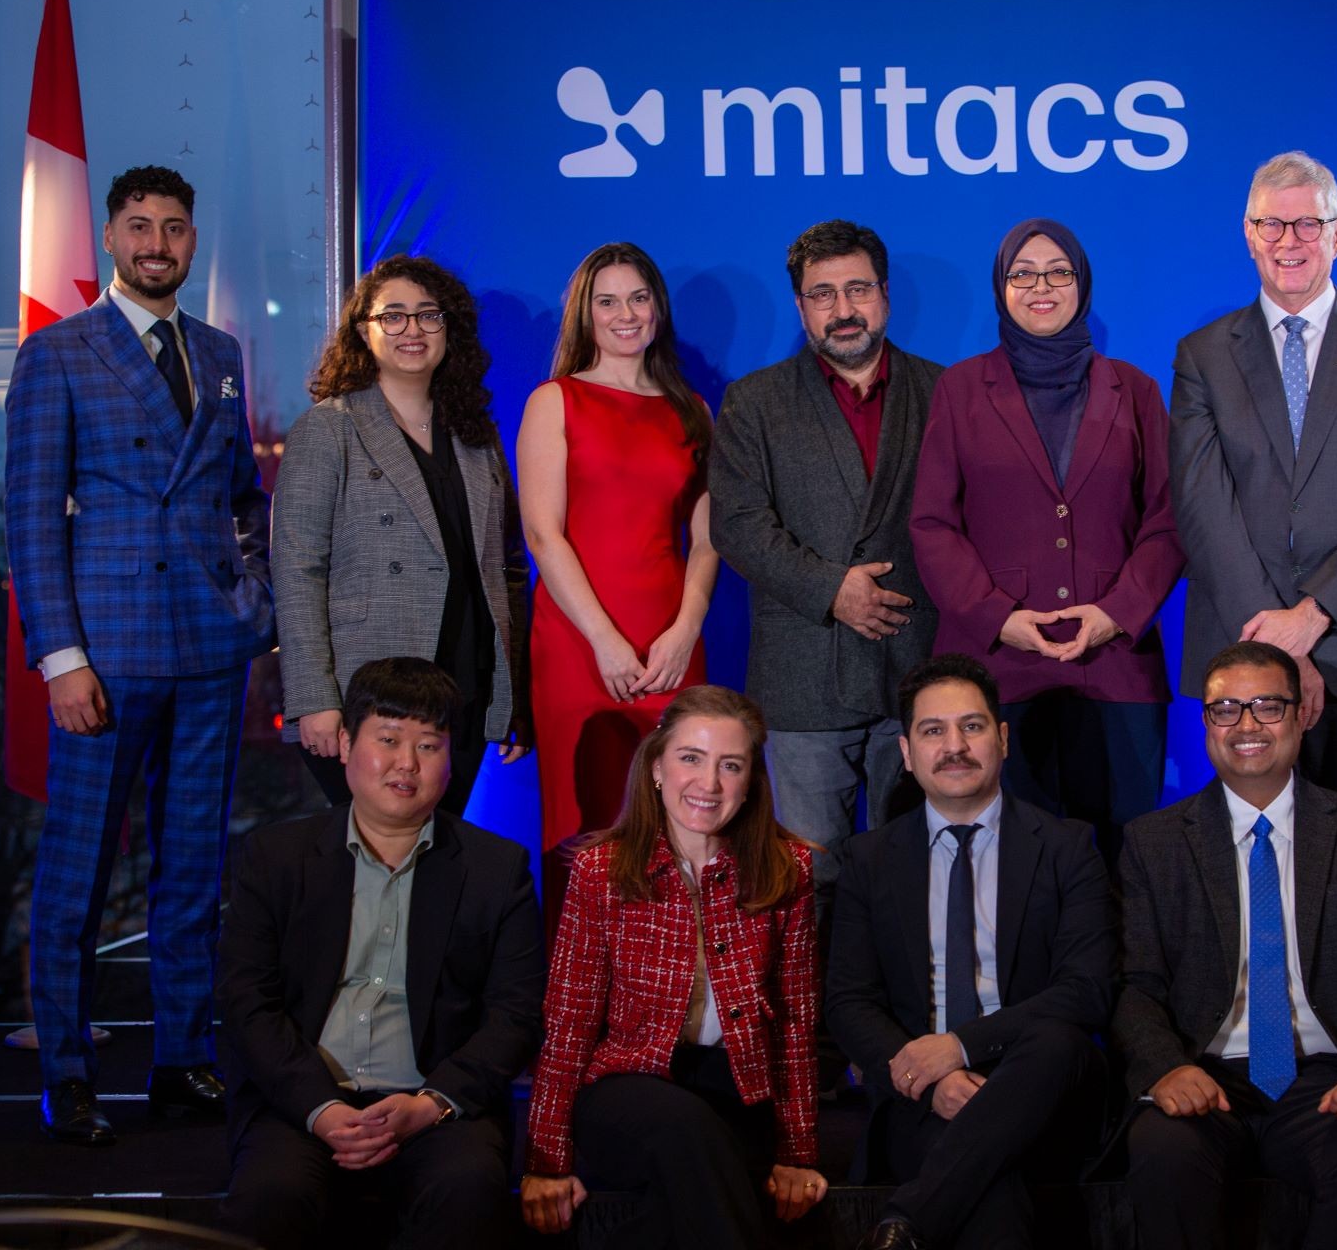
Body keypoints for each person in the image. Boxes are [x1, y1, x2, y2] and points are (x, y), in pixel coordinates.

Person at [5, 164, 274, 1145]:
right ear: (111, 241)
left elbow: (245, 495)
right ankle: (69, 1070)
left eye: (173, 227)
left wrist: (256, 598)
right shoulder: (59, 353)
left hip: (211, 651)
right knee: (74, 874)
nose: (158, 243)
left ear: (191, 240)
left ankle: (180, 1057)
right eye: (139, 226)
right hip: (106, 659)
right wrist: (60, 657)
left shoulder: (221, 350)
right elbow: (31, 521)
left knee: (194, 870)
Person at [217, 657, 546, 1250]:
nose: (407, 764)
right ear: (345, 743)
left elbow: (515, 1016)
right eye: (388, 740)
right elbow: (247, 1004)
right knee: (271, 1198)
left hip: (438, 1106)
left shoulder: (498, 869)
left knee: (469, 1194)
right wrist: (319, 1108)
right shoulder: (275, 859)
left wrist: (430, 1104)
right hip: (301, 1103)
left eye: (429, 744)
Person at [1112, 641, 1337, 1249]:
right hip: (1204, 1072)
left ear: (1303, 712)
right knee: (1161, 1154)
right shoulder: (1152, 843)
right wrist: (1166, 1067)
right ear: (1206, 723)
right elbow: (1135, 986)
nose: (1246, 725)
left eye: (1266, 706)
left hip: (1327, 1074)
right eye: (1225, 708)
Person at [1170, 151, 1337, 824]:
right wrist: (1273, 644)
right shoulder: (1201, 356)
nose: (1288, 242)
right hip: (1243, 652)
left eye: (1307, 226)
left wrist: (1314, 615)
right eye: (1272, 225)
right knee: (1255, 862)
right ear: (1248, 233)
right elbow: (1203, 506)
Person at [911, 218, 1183, 863]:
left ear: (1082, 285)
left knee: (1123, 861)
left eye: (1059, 272)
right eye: (1022, 273)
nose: (1042, 286)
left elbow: (1169, 520)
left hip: (1117, 667)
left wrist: (1117, 615)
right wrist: (996, 617)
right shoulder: (959, 389)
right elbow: (931, 524)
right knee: (1011, 867)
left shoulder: (1137, 390)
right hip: (998, 671)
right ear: (1001, 287)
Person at [519, 685, 826, 1249]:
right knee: (686, 1132)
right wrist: (546, 1158)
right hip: (626, 1084)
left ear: (751, 780)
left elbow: (796, 1023)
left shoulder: (789, 870)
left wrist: (798, 1153)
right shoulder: (600, 871)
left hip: (740, 1085)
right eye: (691, 758)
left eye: (729, 766)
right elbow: (570, 1021)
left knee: (691, 1187)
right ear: (657, 767)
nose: (708, 785)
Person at [828, 653, 1116, 1250]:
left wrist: (959, 1048)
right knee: (994, 1194)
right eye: (933, 731)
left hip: (1042, 1085)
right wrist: (932, 1081)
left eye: (973, 726)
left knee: (1059, 1037)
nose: (954, 745)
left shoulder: (1068, 847)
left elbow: (1086, 991)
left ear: (1003, 739)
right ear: (907, 754)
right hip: (921, 1097)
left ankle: (903, 1222)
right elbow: (850, 1003)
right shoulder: (869, 859)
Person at [710, 218, 942, 900]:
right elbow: (740, 525)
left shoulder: (947, 391)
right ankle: (817, 1013)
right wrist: (831, 588)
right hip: (804, 676)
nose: (843, 310)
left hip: (917, 669)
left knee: (918, 878)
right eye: (822, 295)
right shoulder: (754, 402)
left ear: (886, 295)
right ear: (801, 306)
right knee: (807, 888)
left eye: (858, 289)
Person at [273, 254, 530, 816]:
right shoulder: (330, 427)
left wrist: (512, 697)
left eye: (427, 315)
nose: (412, 330)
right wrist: (314, 699)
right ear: (363, 331)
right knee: (370, 869)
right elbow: (297, 571)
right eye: (393, 316)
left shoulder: (475, 437)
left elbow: (505, 569)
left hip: (466, 685)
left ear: (449, 330)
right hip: (367, 694)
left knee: (438, 864)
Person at [518, 242, 717, 927]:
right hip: (579, 645)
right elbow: (544, 535)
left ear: (658, 309)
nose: (625, 314)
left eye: (638, 298)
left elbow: (709, 538)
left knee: (678, 827)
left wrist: (686, 627)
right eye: (607, 301)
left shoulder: (692, 410)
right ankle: (579, 1016)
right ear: (585, 314)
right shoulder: (555, 402)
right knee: (588, 826)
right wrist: (604, 641)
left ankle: (674, 1015)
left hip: (671, 642)